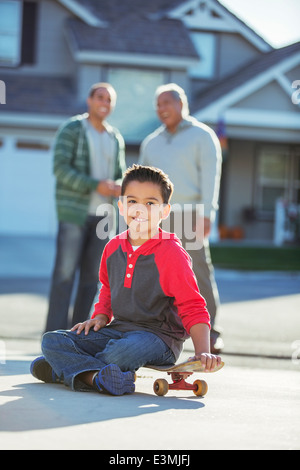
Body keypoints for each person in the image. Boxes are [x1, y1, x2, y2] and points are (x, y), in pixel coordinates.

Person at [31, 165, 222, 396]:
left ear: (164, 211)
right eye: (132, 201)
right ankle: (95, 377)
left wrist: (203, 351)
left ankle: (63, 370)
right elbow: (107, 291)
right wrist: (100, 317)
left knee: (121, 352)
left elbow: (192, 305)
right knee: (52, 341)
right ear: (121, 206)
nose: (140, 209)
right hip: (118, 330)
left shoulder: (171, 253)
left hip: (158, 338)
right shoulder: (112, 248)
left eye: (150, 203)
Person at [139, 83, 223, 353]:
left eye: (166, 103)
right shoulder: (151, 142)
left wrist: (207, 214)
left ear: (180, 104)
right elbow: (143, 182)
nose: (162, 109)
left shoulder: (203, 136)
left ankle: (211, 332)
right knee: (156, 274)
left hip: (191, 215)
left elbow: (211, 177)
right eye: (158, 105)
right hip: (158, 217)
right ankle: (158, 331)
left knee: (198, 273)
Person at [44, 82, 126, 332]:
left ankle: (77, 335)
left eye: (109, 99)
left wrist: (118, 186)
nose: (104, 102)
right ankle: (54, 335)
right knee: (64, 275)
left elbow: (120, 174)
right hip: (74, 213)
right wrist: (95, 185)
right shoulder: (72, 129)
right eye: (100, 97)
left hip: (104, 217)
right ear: (89, 100)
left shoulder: (115, 137)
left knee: (93, 279)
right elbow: (60, 169)